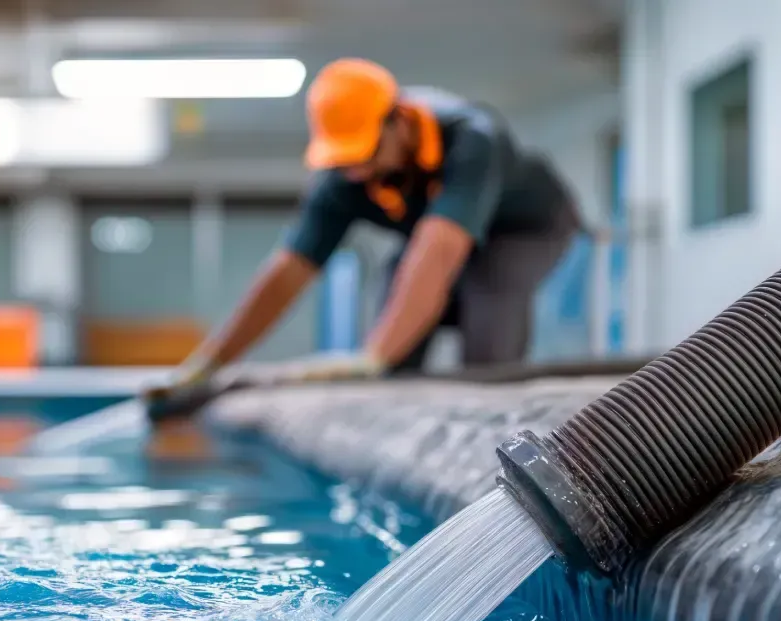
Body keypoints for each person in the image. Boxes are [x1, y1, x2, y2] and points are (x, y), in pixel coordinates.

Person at [156, 57, 585, 395]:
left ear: (398, 120)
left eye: (367, 152)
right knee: (395, 325)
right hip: (433, 238)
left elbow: (439, 253)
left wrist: (373, 355)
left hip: (523, 228)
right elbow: (287, 273)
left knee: (487, 312)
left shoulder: (473, 137)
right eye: (346, 160)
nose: (357, 171)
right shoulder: (342, 175)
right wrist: (209, 363)